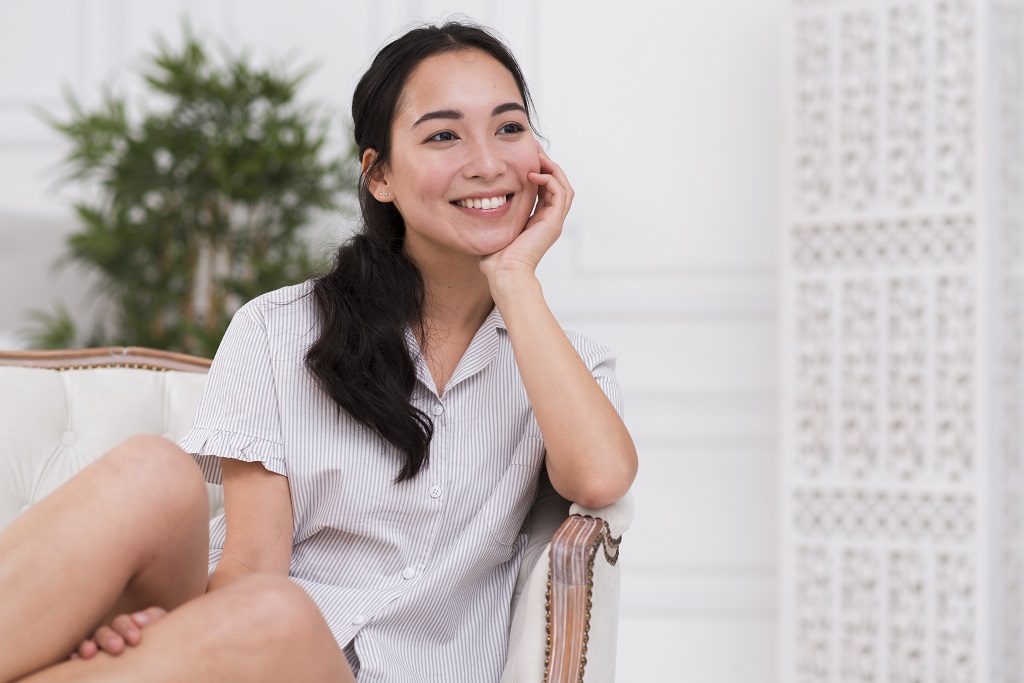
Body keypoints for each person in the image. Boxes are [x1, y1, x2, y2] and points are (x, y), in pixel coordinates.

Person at [0, 20, 637, 683]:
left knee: (274, 614)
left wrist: (513, 279)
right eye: (444, 134)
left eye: (509, 128)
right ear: (380, 175)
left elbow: (600, 478)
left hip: (335, 652)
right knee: (151, 473)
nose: (487, 161)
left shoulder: (563, 367)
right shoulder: (279, 329)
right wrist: (170, 636)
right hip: (264, 645)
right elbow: (250, 568)